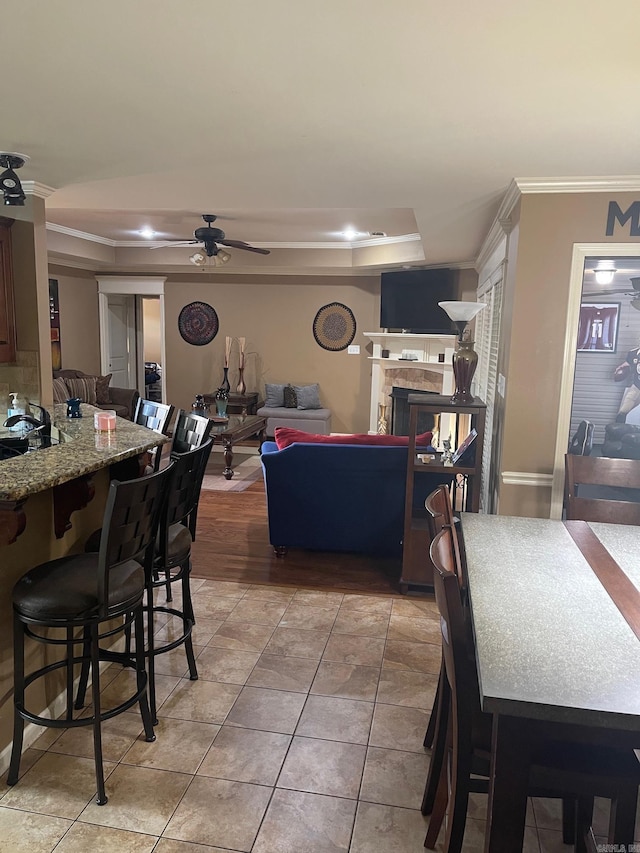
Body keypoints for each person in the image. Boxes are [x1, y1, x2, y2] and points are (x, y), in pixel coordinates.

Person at [614, 344, 640, 422]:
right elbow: (629, 362)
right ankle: (618, 430)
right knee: (623, 412)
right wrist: (621, 367)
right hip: (637, 386)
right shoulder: (633, 353)